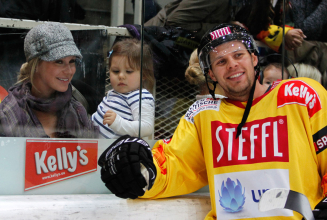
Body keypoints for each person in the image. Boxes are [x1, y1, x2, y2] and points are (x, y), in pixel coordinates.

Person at [98, 24, 327, 219]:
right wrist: (138, 172)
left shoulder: (301, 95)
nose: (232, 65)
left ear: (254, 58)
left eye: (238, 55)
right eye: (220, 61)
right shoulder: (204, 114)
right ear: (211, 75)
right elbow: (176, 164)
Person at [0, 22, 98, 138]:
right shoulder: (8, 114)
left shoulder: (78, 111)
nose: (69, 71)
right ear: (36, 64)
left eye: (72, 61)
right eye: (59, 62)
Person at [92, 38, 155, 139]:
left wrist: (118, 123)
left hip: (117, 152)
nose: (121, 76)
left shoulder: (140, 96)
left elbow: (147, 127)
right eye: (116, 71)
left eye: (129, 71)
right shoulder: (114, 92)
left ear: (144, 74)